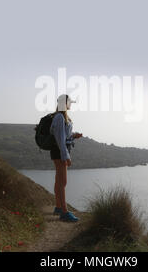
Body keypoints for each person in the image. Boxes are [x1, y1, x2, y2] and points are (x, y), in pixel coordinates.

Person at [50, 94, 82, 222]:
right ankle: (64, 212)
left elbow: (64, 135)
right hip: (60, 151)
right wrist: (66, 156)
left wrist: (74, 136)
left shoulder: (62, 117)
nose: (71, 105)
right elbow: (60, 139)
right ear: (65, 103)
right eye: (70, 103)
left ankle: (58, 207)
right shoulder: (59, 117)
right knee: (63, 182)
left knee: (59, 181)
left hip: (60, 151)